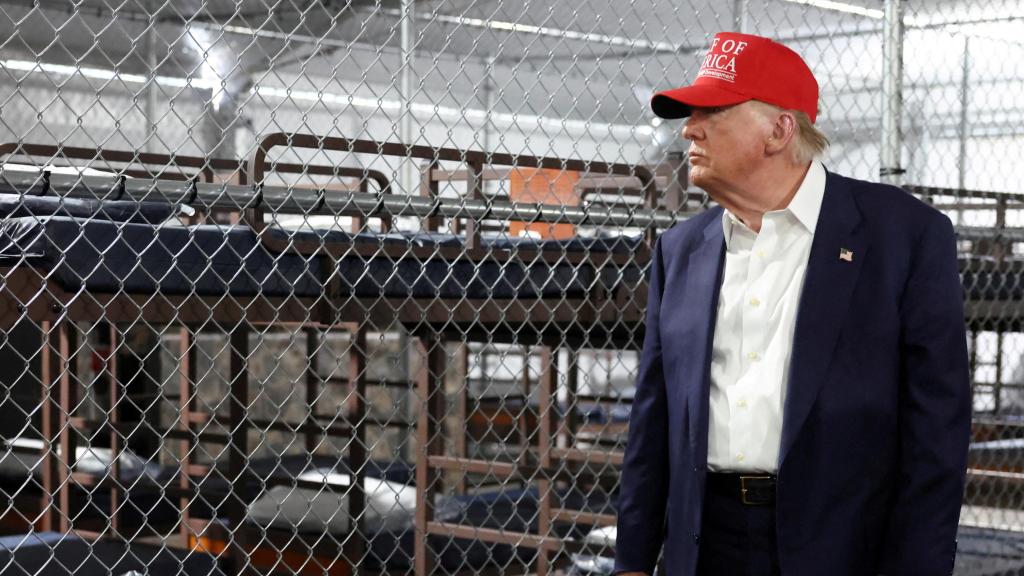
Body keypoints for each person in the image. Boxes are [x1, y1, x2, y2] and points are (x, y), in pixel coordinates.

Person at [614, 32, 970, 576]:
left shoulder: (904, 236)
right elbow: (653, 417)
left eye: (713, 112)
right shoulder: (680, 250)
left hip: (843, 545)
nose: (689, 129)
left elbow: (937, 432)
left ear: (779, 130)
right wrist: (633, 562)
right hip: (706, 546)